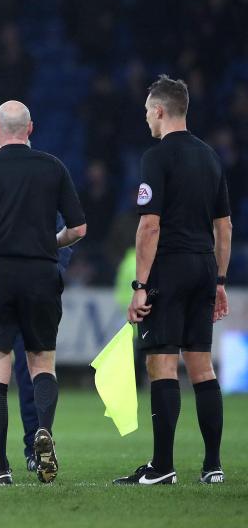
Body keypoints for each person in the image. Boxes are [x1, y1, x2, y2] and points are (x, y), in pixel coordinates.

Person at [114, 75, 231, 486]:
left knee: (161, 363)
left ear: (161, 111)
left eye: (148, 110)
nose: (146, 117)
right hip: (203, 267)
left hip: (170, 267)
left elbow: (149, 226)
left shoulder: (156, 157)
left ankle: (162, 466)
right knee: (201, 365)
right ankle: (213, 466)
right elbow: (225, 226)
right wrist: (219, 280)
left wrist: (139, 285)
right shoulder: (210, 157)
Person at [0, 100, 87, 486]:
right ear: (31, 129)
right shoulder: (53, 167)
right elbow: (79, 229)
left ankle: (1, 467)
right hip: (40, 273)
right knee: (42, 365)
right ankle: (44, 434)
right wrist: (49, 244)